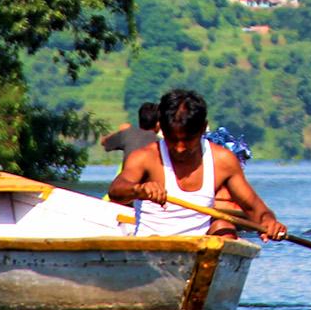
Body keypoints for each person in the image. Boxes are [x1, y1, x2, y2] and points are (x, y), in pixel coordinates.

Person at [109, 89, 287, 240]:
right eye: (172, 140)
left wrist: (268, 222)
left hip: (201, 252)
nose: (179, 149)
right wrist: (138, 190)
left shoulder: (222, 161)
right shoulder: (145, 157)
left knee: (224, 226)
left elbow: (255, 208)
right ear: (162, 128)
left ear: (203, 128)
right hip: (150, 247)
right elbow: (116, 191)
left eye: (187, 140)